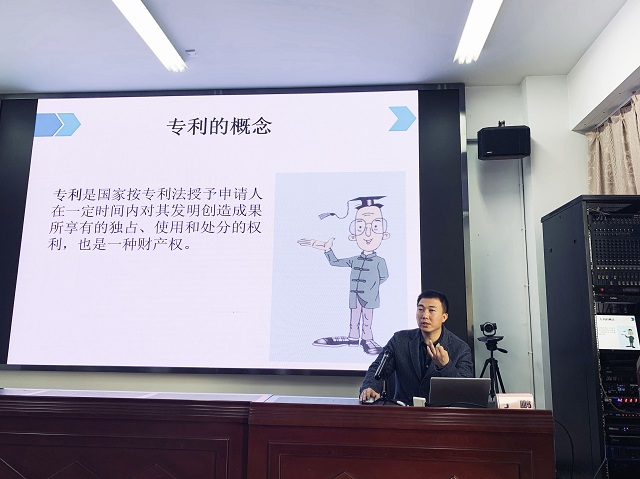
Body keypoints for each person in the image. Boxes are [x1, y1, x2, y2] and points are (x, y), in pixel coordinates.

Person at [298, 196, 390, 355]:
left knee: (367, 320)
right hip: (354, 297)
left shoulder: (379, 261)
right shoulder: (354, 260)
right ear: (353, 235)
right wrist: (327, 249)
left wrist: (371, 287)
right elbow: (335, 262)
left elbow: (384, 277)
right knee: (354, 319)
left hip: (369, 298)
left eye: (375, 226)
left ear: (384, 234)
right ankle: (353, 338)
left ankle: (367, 339)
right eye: (360, 227)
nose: (367, 233)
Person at [359, 290, 473, 405]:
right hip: (404, 410)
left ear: (444, 317)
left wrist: (445, 366)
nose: (424, 316)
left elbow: (466, 392)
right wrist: (370, 387)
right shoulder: (399, 340)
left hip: (441, 413)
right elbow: (377, 368)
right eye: (420, 309)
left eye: (431, 310)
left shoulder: (461, 348)